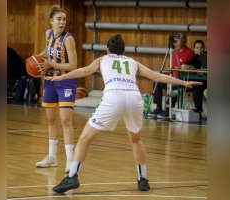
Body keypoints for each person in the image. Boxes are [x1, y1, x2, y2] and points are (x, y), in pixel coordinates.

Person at [45, 34, 202, 193]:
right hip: (134, 98)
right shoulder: (132, 62)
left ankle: (72, 176)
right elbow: (157, 76)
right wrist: (183, 82)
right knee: (136, 139)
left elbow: (84, 70)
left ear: (107, 50)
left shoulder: (102, 59)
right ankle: (143, 179)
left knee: (84, 139)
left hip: (114, 97)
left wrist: (62, 77)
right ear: (123, 51)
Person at [34, 7, 77, 172]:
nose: (62, 22)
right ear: (51, 21)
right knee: (51, 121)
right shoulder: (48, 34)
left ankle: (70, 160)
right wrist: (37, 58)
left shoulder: (68, 39)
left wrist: (52, 64)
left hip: (66, 81)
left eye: (64, 19)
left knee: (66, 121)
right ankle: (52, 157)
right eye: (59, 19)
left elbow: (73, 65)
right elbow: (48, 52)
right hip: (51, 80)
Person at [149, 33, 195, 119]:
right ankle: (158, 107)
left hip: (181, 81)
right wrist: (160, 74)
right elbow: (171, 69)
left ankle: (168, 109)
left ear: (185, 40)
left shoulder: (190, 52)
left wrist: (179, 69)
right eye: (176, 38)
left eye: (179, 38)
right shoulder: (173, 53)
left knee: (175, 87)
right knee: (157, 82)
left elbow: (189, 69)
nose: (176, 40)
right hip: (171, 79)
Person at [182, 40, 207, 113]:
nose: (199, 50)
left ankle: (198, 110)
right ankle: (198, 110)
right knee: (196, 90)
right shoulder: (194, 57)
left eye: (201, 48)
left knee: (196, 88)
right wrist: (196, 56)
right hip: (196, 83)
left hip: (206, 82)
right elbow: (185, 66)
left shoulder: (207, 56)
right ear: (194, 49)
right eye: (197, 48)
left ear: (204, 48)